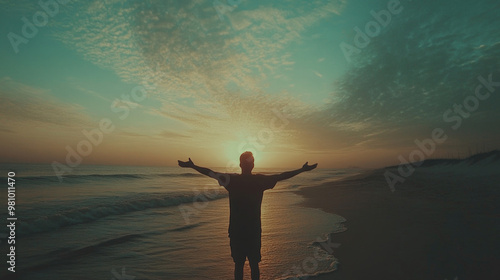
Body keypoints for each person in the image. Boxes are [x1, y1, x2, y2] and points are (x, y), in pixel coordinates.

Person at [178, 151, 317, 280]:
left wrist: (193, 166)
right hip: (253, 230)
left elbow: (210, 172)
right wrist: (301, 169)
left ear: (240, 164)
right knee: (254, 265)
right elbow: (282, 176)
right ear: (253, 165)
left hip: (236, 230)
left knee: (238, 265)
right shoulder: (259, 181)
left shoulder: (231, 180)